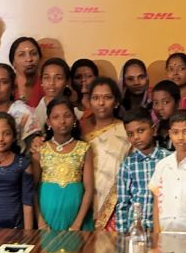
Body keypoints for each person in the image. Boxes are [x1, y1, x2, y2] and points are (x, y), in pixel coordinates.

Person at [32, 97, 94, 231]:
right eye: (56, 117)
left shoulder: (84, 148)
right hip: (47, 217)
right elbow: (32, 189)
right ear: (48, 122)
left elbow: (89, 189)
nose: (62, 121)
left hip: (76, 218)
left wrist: (78, 223)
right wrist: (40, 221)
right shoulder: (40, 150)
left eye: (67, 116)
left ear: (74, 120)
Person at [81, 77, 131, 230]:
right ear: (89, 102)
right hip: (83, 203)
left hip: (115, 206)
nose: (101, 103)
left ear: (116, 102)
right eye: (96, 98)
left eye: (107, 98)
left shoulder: (126, 131)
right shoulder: (81, 130)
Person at [115, 108, 171, 231]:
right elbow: (122, 203)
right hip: (135, 229)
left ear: (154, 130)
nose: (136, 137)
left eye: (141, 131)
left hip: (161, 228)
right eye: (130, 134)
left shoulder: (168, 159)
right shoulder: (128, 164)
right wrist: (122, 233)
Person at [34, 58, 80, 132]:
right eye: (46, 78)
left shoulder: (78, 114)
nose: (51, 83)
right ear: (41, 81)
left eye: (58, 78)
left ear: (67, 81)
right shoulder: (32, 114)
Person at [9, 36, 44, 108]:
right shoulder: (6, 85)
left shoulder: (47, 85)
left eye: (33, 53)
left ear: (40, 58)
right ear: (13, 62)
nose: (29, 59)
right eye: (21, 55)